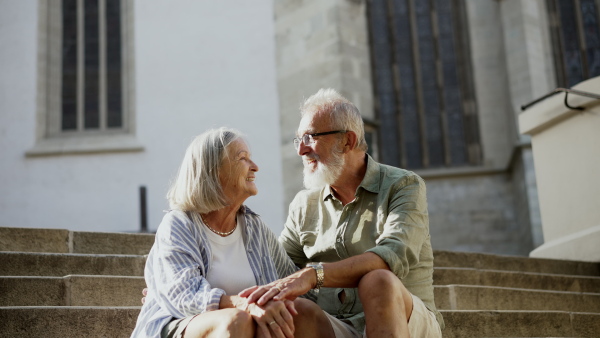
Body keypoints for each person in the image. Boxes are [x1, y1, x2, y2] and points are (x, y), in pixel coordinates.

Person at [240, 89, 444, 337]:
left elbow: (392, 256)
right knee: (293, 309)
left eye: (310, 138)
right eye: (298, 140)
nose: (301, 151)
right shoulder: (303, 204)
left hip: (407, 321)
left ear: (347, 140)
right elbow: (279, 268)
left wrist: (314, 274)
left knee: (378, 280)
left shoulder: (403, 185)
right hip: (335, 325)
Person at [131, 128, 326, 338]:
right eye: (243, 158)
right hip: (178, 324)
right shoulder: (179, 224)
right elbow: (185, 296)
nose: (255, 167)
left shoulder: (254, 228)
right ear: (213, 171)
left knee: (305, 311)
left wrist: (326, 276)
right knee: (236, 320)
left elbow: (290, 282)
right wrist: (246, 304)